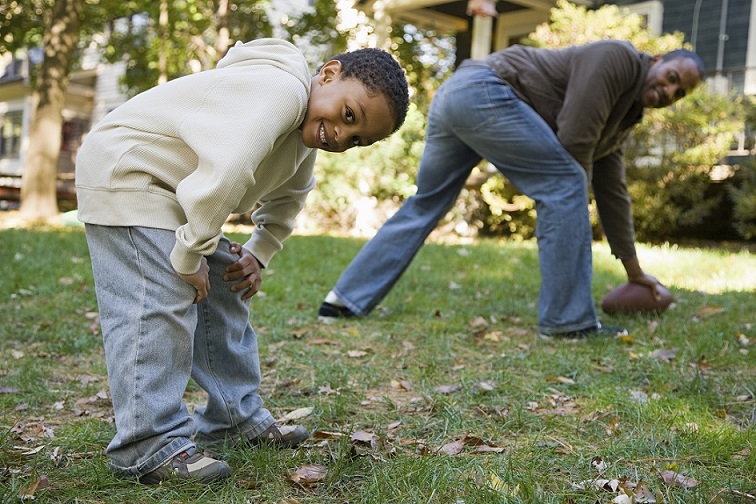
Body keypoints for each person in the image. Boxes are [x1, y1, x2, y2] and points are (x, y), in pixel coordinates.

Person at [76, 38, 409, 484]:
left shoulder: (302, 138)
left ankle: (233, 419)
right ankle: (147, 443)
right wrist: (191, 252)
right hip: (128, 172)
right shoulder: (280, 91)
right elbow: (228, 170)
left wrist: (258, 253)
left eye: (357, 139)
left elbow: (291, 198)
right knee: (158, 300)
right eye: (350, 116)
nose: (344, 136)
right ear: (328, 74)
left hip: (174, 195)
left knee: (228, 282)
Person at [317, 38, 703, 339]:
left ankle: (343, 301)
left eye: (680, 94)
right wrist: (568, 197)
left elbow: (613, 193)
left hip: (459, 95)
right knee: (566, 181)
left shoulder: (623, 119)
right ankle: (568, 323)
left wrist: (635, 272)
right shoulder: (617, 57)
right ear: (656, 61)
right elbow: (574, 140)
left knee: (426, 203)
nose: (670, 93)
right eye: (672, 78)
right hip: (485, 91)